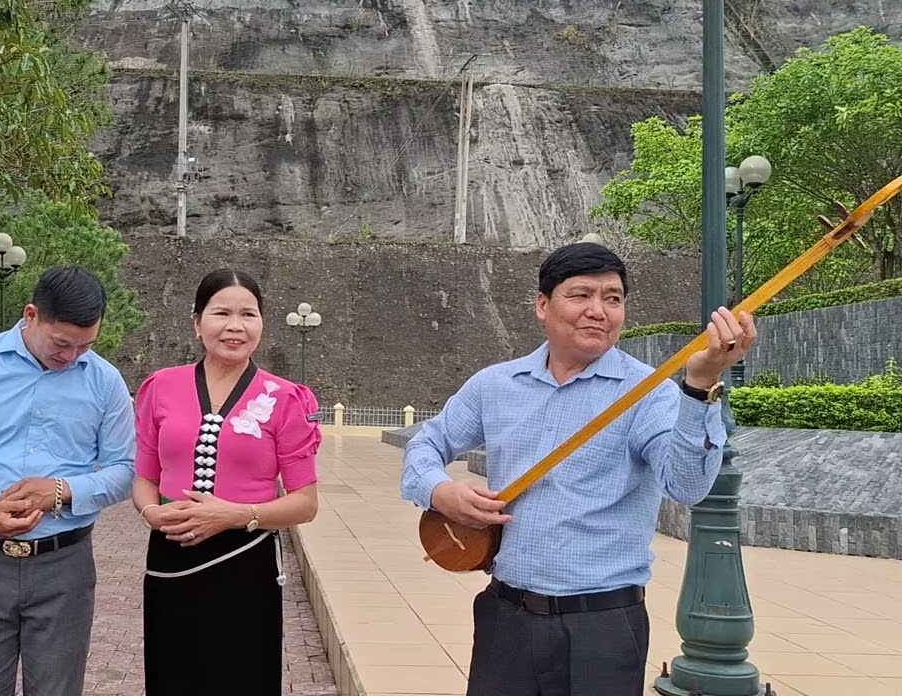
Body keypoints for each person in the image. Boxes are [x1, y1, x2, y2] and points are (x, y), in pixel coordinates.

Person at [400, 242, 757, 696]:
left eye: (613, 298)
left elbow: (687, 486)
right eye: (581, 295)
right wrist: (439, 491)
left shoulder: (648, 393)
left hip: (603, 626)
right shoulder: (496, 385)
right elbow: (426, 444)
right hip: (506, 617)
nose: (599, 311)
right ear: (542, 305)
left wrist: (700, 384)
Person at [0, 265, 136, 696]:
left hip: (64, 568)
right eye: (62, 343)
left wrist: (62, 491)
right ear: (30, 315)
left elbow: (126, 469)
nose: (71, 356)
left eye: (86, 345)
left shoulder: (105, 382)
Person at [132, 267, 322, 696]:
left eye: (248, 314)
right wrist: (151, 513)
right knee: (172, 675)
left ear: (261, 325)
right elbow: (144, 478)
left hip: (246, 560)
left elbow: (305, 504)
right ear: (197, 322)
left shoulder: (285, 398)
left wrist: (235, 515)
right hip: (171, 555)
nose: (235, 326)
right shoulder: (161, 387)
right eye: (221, 313)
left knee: (243, 676)